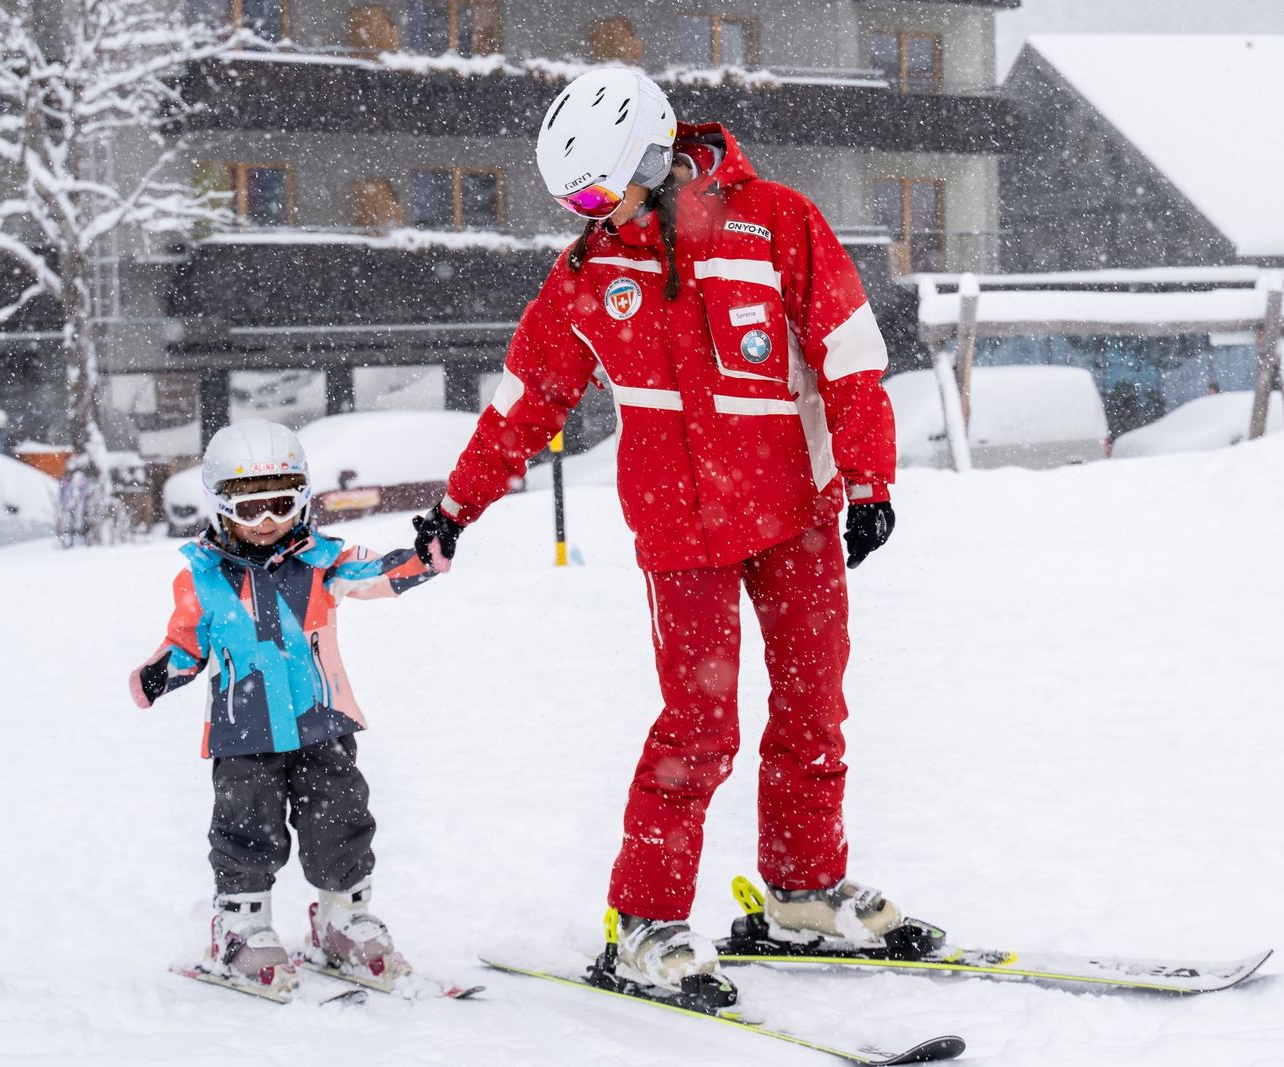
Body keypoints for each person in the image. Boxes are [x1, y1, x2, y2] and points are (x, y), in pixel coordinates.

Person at [414, 68, 902, 995]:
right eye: (572, 201)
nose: (591, 214)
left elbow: (849, 356)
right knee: (698, 725)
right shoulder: (591, 270)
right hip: (680, 533)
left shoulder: (775, 223)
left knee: (812, 707)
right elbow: (527, 400)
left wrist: (870, 477)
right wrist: (456, 506)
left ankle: (801, 893)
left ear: (652, 150)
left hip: (796, 514)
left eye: (599, 192)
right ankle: (644, 921)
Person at [130, 419, 442, 994]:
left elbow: (375, 573)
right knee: (246, 828)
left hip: (321, 723)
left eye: (279, 504)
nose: (266, 521)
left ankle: (341, 920)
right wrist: (158, 673)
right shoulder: (201, 579)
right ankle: (242, 926)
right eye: (249, 509)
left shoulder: (324, 561)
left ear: (300, 500)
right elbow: (187, 644)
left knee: (341, 821)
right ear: (220, 508)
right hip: (243, 733)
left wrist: (423, 556)